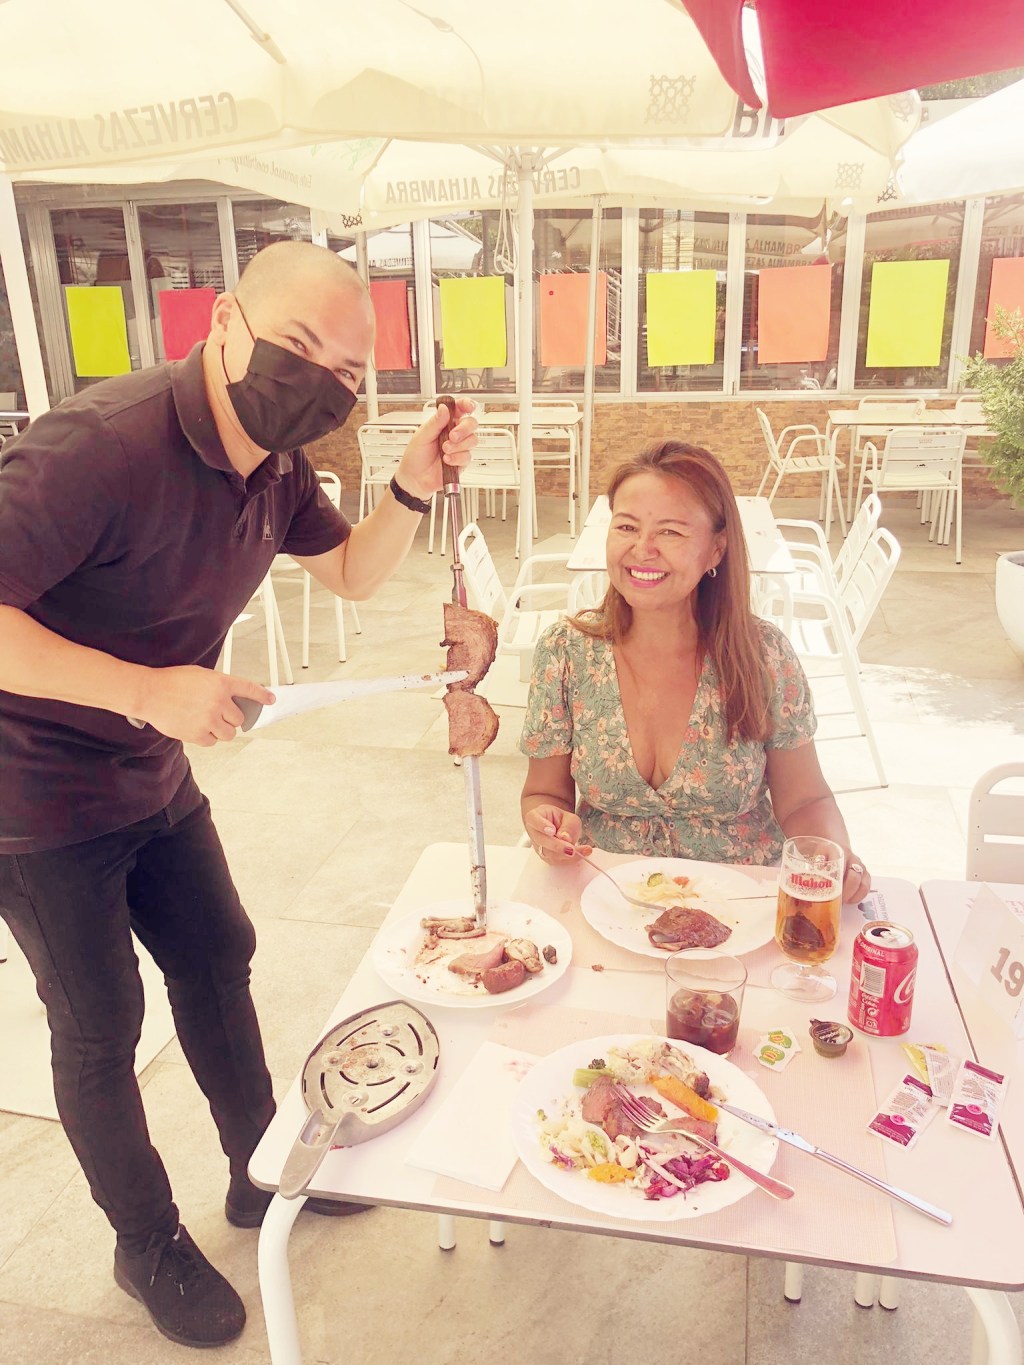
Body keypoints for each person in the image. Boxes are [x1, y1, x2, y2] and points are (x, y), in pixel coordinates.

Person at [0, 241, 476, 1349]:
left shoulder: (275, 463)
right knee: (100, 1024)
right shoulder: (100, 448)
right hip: (33, 793)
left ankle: (260, 1169)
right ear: (222, 321)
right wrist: (143, 689)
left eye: (346, 370)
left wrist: (413, 480)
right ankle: (144, 1243)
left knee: (218, 954)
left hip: (149, 769)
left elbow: (353, 572)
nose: (318, 379)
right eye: (297, 344)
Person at [520, 440, 869, 903]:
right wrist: (548, 825)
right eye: (626, 526)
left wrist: (833, 856)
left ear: (716, 550)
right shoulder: (565, 652)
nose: (642, 549)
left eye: (670, 532)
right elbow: (544, 793)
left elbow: (806, 800)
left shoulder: (763, 656)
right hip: (606, 895)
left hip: (741, 903)